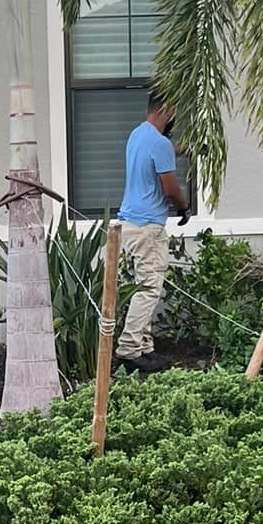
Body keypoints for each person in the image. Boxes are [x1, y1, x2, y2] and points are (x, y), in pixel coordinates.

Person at [115, 86, 189, 364]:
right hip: (148, 227)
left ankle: (144, 347)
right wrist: (184, 208)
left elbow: (157, 155)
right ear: (166, 111)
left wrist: (185, 150)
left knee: (141, 286)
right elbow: (169, 188)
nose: (174, 119)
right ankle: (129, 350)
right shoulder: (160, 144)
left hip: (131, 224)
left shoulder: (137, 135)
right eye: (173, 113)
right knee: (148, 290)